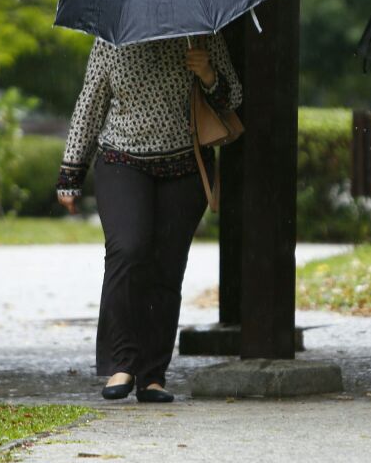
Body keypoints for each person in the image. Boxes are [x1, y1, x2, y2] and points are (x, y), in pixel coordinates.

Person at [56, 34, 242, 402]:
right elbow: (90, 103)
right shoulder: (111, 38)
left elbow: (233, 99)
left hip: (185, 164)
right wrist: (70, 171)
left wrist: (208, 74)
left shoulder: (201, 34)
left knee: (166, 267)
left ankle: (153, 375)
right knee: (128, 249)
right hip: (122, 160)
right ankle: (121, 363)